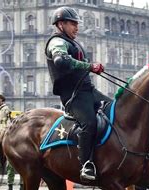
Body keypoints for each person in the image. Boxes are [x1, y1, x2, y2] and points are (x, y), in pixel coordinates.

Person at [45, 6, 111, 181]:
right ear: (60, 24)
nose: (77, 27)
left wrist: (93, 67)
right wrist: (89, 66)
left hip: (88, 91)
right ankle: (86, 165)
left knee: (114, 109)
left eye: (77, 23)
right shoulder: (57, 42)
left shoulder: (73, 42)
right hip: (73, 96)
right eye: (73, 23)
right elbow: (61, 60)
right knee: (89, 123)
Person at [0, 94, 16, 190]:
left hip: (3, 126)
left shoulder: (6, 108)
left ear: (2, 99)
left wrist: (8, 129)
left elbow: (9, 118)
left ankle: (20, 189)